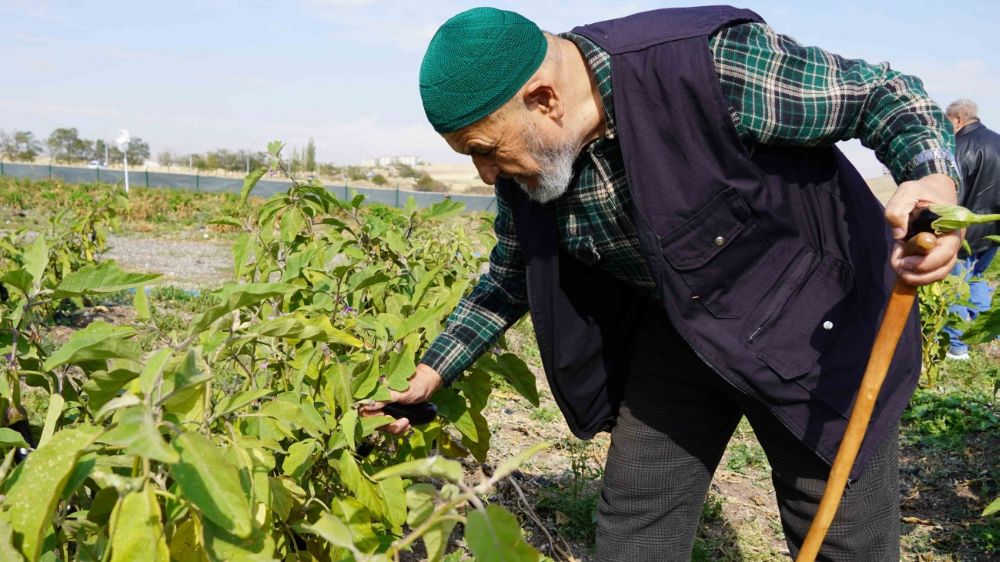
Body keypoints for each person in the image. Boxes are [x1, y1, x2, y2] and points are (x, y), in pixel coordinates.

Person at [362, 6, 961, 561]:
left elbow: (887, 95)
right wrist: (434, 371)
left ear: (544, 98)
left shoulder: (706, 69)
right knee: (637, 513)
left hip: (815, 332)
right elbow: (509, 276)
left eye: (486, 150)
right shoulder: (534, 165)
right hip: (683, 328)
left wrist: (932, 178)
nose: (486, 172)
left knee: (840, 533)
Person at [942, 99, 999, 360]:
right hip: (994, 231)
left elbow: (954, 193)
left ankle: (958, 346)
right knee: (976, 279)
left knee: (955, 286)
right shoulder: (997, 140)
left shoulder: (959, 147)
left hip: (966, 230)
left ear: (957, 120)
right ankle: (987, 336)